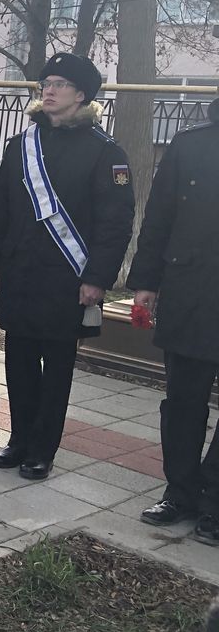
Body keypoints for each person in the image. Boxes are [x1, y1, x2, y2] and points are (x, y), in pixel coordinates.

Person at [0, 53, 134, 482]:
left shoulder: (105, 151)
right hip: (21, 271)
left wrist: (97, 279)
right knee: (18, 361)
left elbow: (115, 223)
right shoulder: (21, 144)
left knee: (56, 368)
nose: (48, 90)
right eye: (46, 83)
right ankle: (18, 439)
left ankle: (42, 449)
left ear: (81, 95)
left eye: (59, 84)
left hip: (68, 277)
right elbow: (2, 208)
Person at [127, 96, 219, 546]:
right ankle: (179, 492)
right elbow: (159, 216)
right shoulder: (190, 144)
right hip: (192, 292)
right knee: (183, 402)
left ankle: (215, 499)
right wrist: (146, 281)